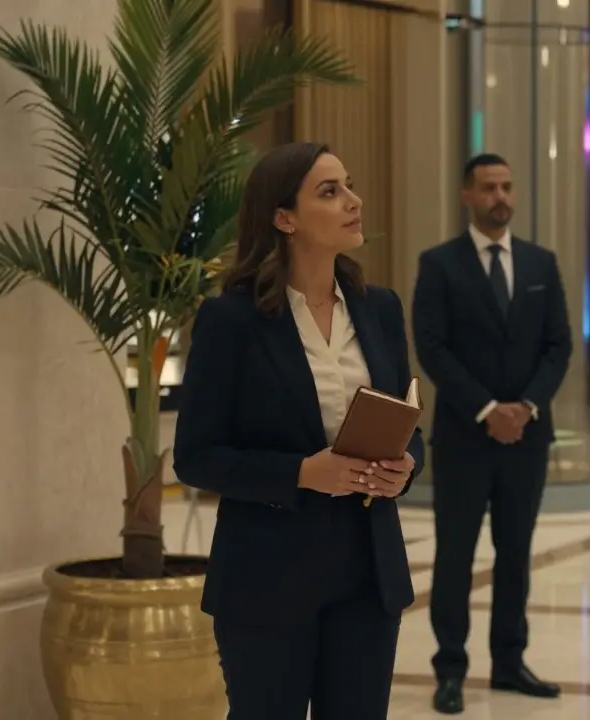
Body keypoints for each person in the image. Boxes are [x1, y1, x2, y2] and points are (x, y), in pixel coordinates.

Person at [173, 142, 423, 719]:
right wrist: (301, 473)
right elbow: (196, 456)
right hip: (266, 580)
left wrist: (405, 466)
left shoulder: (380, 309)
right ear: (284, 218)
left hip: (367, 573)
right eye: (329, 192)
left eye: (349, 186)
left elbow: (407, 423)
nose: (353, 202)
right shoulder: (231, 321)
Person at [412, 153, 573, 714]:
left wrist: (525, 406)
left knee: (516, 554)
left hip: (527, 439)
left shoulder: (539, 263)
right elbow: (431, 347)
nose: (500, 196)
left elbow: (559, 346)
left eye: (506, 186)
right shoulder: (439, 265)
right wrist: (487, 408)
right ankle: (450, 668)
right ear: (467, 196)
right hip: (463, 437)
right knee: (455, 556)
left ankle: (509, 661)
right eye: (488, 188)